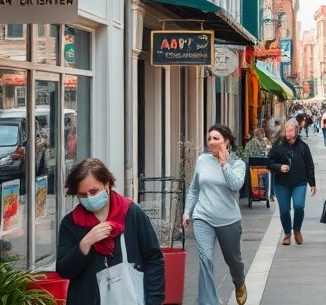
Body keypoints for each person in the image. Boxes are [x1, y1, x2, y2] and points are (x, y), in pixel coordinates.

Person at [56, 158, 164, 304]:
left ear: (106, 184)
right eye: (82, 195)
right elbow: (64, 270)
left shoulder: (131, 213)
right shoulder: (71, 223)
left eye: (93, 191)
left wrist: (154, 300)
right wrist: (84, 245)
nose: (88, 197)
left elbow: (153, 258)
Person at [183, 124, 248, 305]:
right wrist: (187, 212)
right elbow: (194, 189)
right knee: (205, 259)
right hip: (203, 217)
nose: (211, 142)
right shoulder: (202, 160)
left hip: (228, 220)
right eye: (209, 138)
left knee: (233, 260)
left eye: (216, 138)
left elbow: (236, 185)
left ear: (226, 142)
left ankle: (239, 282)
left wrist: (224, 164)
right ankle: (209, 302)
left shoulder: (238, 164)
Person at [267, 119, 317, 245]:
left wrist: (312, 183)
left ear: (296, 130)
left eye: (291, 130)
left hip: (299, 182)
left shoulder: (303, 147)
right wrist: (279, 167)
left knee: (299, 206)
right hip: (282, 183)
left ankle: (297, 230)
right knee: (284, 210)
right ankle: (287, 233)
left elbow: (309, 165)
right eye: (286, 130)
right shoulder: (278, 145)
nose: (288, 133)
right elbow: (269, 163)